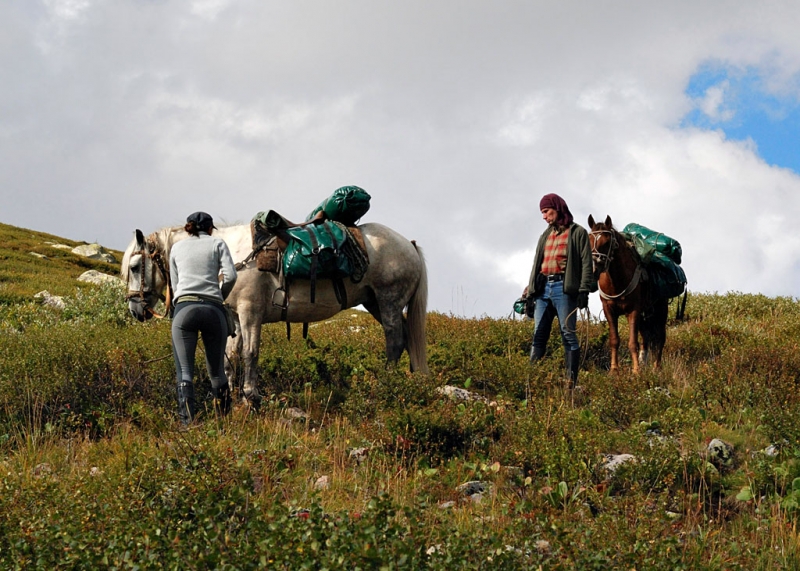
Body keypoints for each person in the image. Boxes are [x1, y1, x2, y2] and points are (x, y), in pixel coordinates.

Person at [169, 211, 238, 424]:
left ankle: (187, 423)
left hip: (184, 310)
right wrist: (219, 296)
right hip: (213, 310)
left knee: (185, 372)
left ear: (189, 228)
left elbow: (175, 284)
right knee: (217, 372)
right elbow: (231, 276)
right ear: (210, 229)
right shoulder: (218, 244)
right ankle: (224, 424)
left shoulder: (176, 248)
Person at [523, 194, 594, 388]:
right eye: (542, 213)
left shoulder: (577, 232)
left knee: (568, 333)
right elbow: (536, 264)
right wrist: (530, 294)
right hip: (543, 289)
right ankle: (532, 381)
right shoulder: (545, 235)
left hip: (564, 289)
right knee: (539, 333)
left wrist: (583, 291)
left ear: (557, 208)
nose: (544, 217)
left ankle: (571, 381)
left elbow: (587, 263)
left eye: (546, 211)